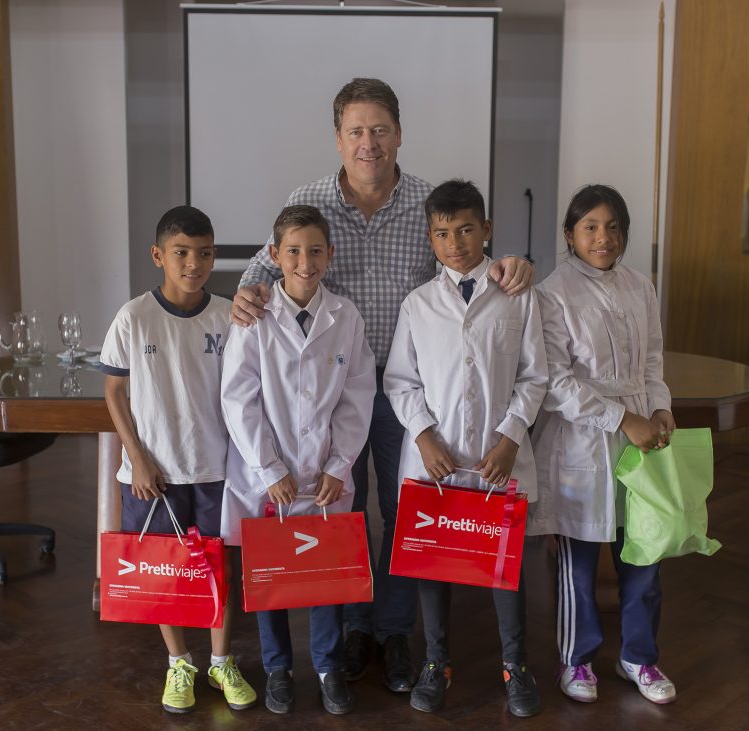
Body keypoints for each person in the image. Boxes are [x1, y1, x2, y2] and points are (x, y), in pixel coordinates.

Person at [231, 78, 535, 691]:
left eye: (380, 130)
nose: (368, 143)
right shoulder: (308, 197)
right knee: (336, 511)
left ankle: (396, 635)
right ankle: (348, 632)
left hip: (406, 394)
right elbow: (267, 271)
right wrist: (244, 292)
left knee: (403, 514)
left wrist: (515, 264)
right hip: (322, 394)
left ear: (398, 134)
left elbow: (477, 264)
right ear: (338, 138)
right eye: (356, 131)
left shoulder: (428, 204)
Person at [383, 180, 548, 717]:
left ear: (487, 231)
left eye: (466, 230)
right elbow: (400, 382)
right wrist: (425, 436)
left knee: (505, 562)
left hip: (498, 458)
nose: (454, 243)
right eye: (442, 233)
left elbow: (534, 376)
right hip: (436, 460)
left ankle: (515, 663)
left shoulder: (518, 298)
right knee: (432, 563)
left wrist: (509, 438)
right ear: (431, 239)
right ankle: (436, 661)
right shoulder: (418, 304)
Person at [99, 205, 257, 715]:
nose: (195, 263)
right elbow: (115, 395)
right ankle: (178, 663)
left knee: (217, 569)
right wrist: (137, 458)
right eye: (182, 253)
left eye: (205, 253)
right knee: (163, 571)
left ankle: (219, 659)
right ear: (158, 256)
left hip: (214, 468)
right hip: (154, 474)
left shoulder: (227, 315)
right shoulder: (133, 316)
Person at [219, 205, 376, 715]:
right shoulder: (255, 318)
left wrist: (339, 464)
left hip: (326, 476)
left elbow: (357, 396)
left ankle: (329, 668)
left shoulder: (345, 317)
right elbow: (238, 397)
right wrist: (270, 470)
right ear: (273, 256)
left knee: (326, 574)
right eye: (292, 251)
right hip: (267, 476)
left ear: (330, 255)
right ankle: (278, 668)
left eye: (314, 251)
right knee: (272, 574)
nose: (304, 262)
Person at [529, 184, 678, 705]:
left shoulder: (642, 286)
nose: (603, 237)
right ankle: (577, 659)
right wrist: (623, 418)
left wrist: (659, 406)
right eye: (590, 226)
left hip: (641, 434)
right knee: (579, 559)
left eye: (613, 226)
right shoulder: (552, 293)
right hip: (581, 440)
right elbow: (555, 383)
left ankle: (639, 656)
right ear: (570, 234)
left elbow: (653, 358)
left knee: (645, 550)